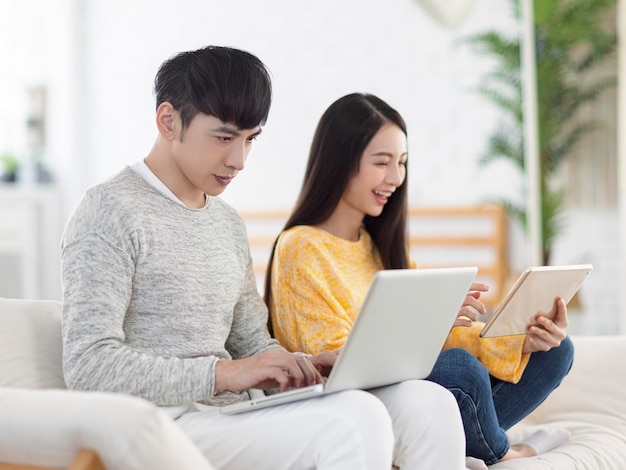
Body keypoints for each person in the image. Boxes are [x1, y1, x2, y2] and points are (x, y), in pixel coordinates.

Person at [60, 46, 466, 470]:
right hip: (166, 423)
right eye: (223, 137)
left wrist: (305, 367)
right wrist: (225, 373)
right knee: (354, 421)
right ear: (168, 121)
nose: (238, 160)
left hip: (232, 413)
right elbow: (89, 365)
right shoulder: (108, 211)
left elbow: (252, 342)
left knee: (428, 402)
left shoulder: (226, 222)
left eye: (250, 139)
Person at [265, 92, 575, 468]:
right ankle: (506, 450)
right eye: (382, 163)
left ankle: (474, 440)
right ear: (340, 163)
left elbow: (440, 340)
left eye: (402, 162)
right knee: (459, 369)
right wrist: (425, 327)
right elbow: (332, 361)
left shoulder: (381, 246)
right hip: (365, 400)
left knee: (556, 351)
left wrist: (522, 338)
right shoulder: (300, 248)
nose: (395, 178)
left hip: (418, 385)